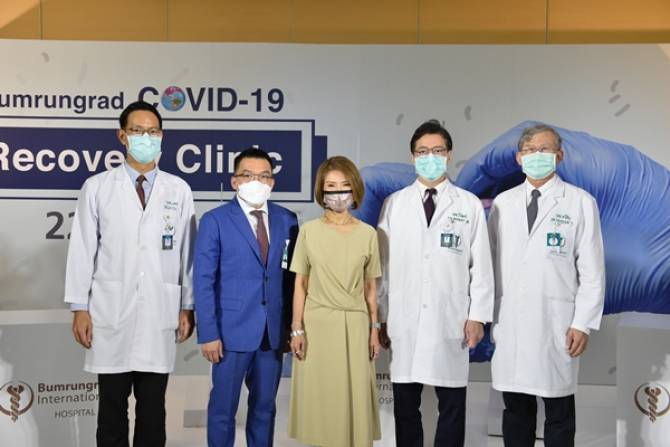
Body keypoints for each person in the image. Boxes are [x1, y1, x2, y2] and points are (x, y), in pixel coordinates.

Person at [64, 100, 196, 447]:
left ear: (162, 136)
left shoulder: (178, 190)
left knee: (153, 410)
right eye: (137, 131)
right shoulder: (97, 187)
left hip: (160, 312)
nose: (145, 138)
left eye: (153, 132)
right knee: (111, 410)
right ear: (122, 136)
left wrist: (187, 305)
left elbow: (188, 253)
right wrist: (79, 307)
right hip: (110, 314)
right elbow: (82, 249)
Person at [377, 119, 494, 447]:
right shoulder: (395, 204)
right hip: (404, 319)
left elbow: (482, 267)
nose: (430, 157)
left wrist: (477, 316)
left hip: (451, 318)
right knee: (405, 407)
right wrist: (382, 317)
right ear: (412, 157)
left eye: (437, 151)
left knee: (452, 406)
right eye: (422, 151)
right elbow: (382, 266)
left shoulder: (468, 204)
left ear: (449, 155)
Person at [487, 123, 605, 447]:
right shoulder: (503, 204)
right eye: (530, 150)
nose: (537, 155)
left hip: (557, 324)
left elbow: (593, 271)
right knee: (515, 411)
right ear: (519, 158)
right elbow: (489, 265)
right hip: (511, 322)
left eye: (545, 149)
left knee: (559, 412)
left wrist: (582, 323)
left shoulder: (580, 202)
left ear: (559, 156)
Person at [194, 148, 298, 447]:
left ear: (272, 182)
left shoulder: (288, 220)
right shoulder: (215, 220)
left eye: (264, 176)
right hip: (229, 334)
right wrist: (208, 334)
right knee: (223, 410)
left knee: (264, 409)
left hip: (272, 333)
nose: (257, 181)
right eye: (248, 175)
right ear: (235, 181)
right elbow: (203, 280)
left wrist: (290, 328)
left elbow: (291, 278)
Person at [288, 156, 382, 447]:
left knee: (353, 396)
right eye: (331, 186)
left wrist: (374, 329)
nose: (338, 192)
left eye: (344, 185)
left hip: (355, 324)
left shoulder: (368, 234)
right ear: (321, 190)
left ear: (355, 189)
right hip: (317, 325)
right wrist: (296, 329)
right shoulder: (308, 231)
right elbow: (300, 284)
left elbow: (370, 288)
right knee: (321, 399)